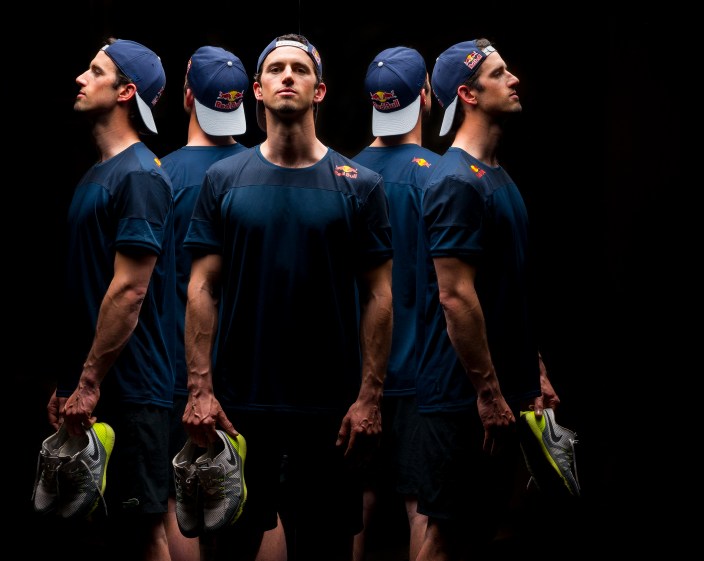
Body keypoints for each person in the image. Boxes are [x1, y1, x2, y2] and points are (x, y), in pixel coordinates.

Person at [182, 33, 394, 561]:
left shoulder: (360, 184)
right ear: (257, 88)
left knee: (324, 549)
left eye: (299, 69)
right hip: (238, 406)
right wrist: (200, 390)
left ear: (319, 90)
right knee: (227, 550)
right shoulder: (223, 179)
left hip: (330, 411)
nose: (287, 76)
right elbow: (203, 286)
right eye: (275, 68)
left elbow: (379, 295)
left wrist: (369, 397)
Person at [414, 39, 561, 561]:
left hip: (505, 395)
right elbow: (455, 296)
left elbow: (509, 292)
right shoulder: (455, 181)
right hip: (463, 403)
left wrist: (534, 371)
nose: (514, 79)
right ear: (467, 95)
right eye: (500, 74)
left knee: (486, 532)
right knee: (447, 536)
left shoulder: (499, 177)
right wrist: (489, 394)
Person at [42, 37, 175, 560]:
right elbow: (85, 285)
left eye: (94, 70)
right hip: (93, 388)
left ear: (126, 91)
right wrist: (67, 382)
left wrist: (90, 383)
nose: (80, 78)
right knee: (105, 537)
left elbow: (130, 289)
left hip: (133, 391)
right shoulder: (97, 174)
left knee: (142, 533)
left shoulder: (140, 175)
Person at [159, 45, 285, 561]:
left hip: (171, 365)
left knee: (176, 496)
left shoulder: (157, 174)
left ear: (187, 97)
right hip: (254, 364)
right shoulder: (270, 169)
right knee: (264, 502)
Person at [350, 46, 439, 561]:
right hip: (424, 378)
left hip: (358, 377)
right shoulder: (442, 176)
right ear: (425, 98)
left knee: (353, 508)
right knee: (422, 510)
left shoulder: (343, 174)